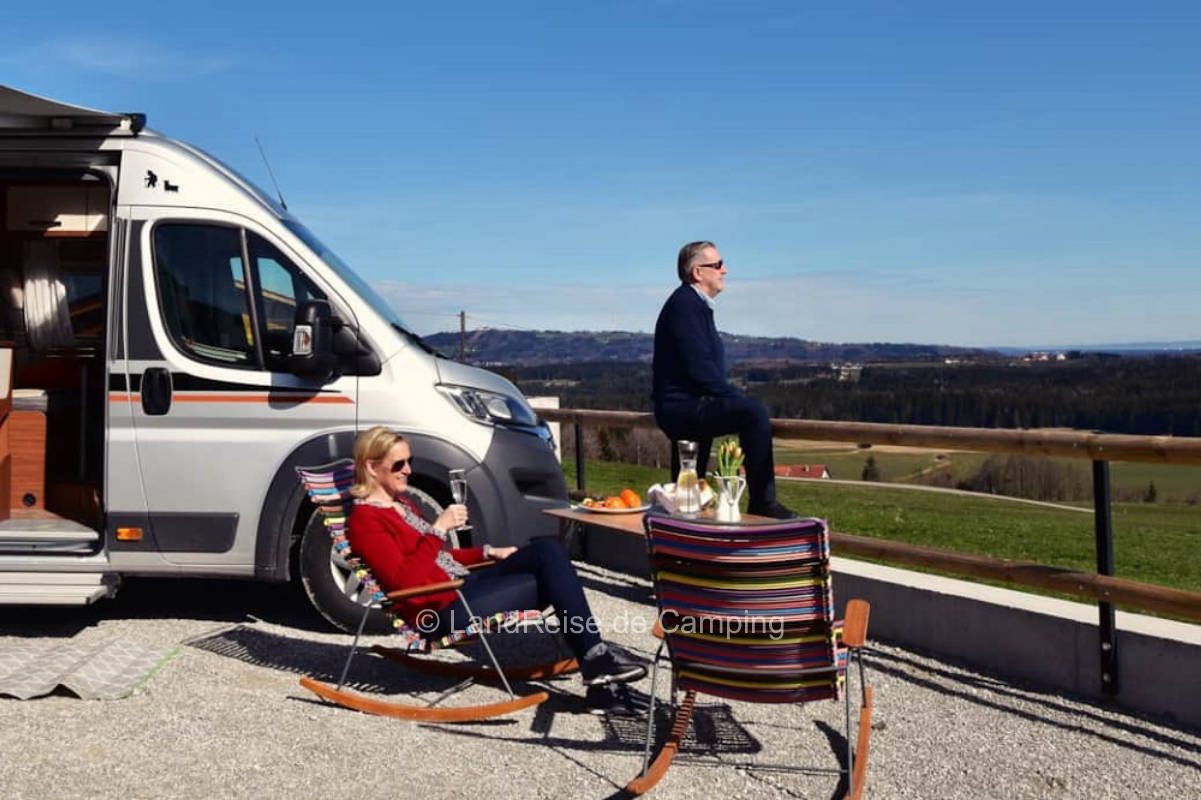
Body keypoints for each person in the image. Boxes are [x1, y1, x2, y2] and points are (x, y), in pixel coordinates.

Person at [346, 426, 647, 691]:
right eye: (398, 464)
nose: (408, 470)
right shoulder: (365, 521)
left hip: (461, 586)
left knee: (548, 551)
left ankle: (596, 666)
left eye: (410, 461)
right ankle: (597, 664)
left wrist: (487, 552)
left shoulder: (403, 505)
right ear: (372, 467)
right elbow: (404, 581)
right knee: (554, 580)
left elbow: (437, 558)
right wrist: (438, 528)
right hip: (439, 611)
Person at [652, 240, 798, 519]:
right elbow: (700, 370)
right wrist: (737, 399)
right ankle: (763, 504)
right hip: (683, 408)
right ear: (698, 272)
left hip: (685, 405)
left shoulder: (691, 304)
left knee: (689, 493)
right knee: (753, 413)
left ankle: (683, 533)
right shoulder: (685, 306)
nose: (725, 270)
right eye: (718, 264)